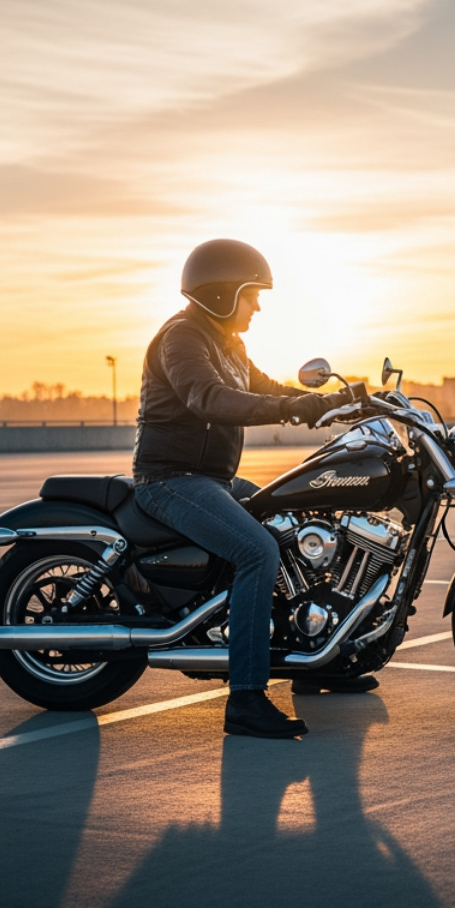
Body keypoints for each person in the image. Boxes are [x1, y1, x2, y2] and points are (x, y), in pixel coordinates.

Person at [131, 239, 371, 739]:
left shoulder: (227, 344)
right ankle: (245, 699)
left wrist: (332, 400)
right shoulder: (182, 338)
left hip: (212, 481)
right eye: (251, 294)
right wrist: (291, 410)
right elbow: (210, 397)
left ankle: (314, 659)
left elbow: (266, 388)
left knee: (293, 525)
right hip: (170, 481)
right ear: (222, 293)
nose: (258, 306)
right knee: (258, 551)